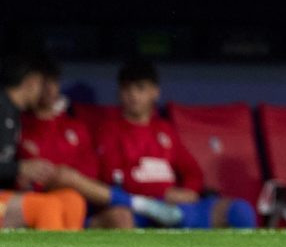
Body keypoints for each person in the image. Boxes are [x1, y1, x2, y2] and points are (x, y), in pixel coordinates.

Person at [18, 55, 184, 228]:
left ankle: (140, 206)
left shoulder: (74, 126)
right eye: (43, 83)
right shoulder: (20, 125)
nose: (49, 89)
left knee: (70, 185)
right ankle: (137, 203)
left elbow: (91, 170)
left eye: (53, 82)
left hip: (78, 196)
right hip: (40, 195)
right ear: (30, 85)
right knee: (62, 179)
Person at [95, 59, 256, 229]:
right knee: (122, 217)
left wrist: (188, 192)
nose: (133, 95)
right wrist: (162, 193)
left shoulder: (165, 130)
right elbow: (114, 180)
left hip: (176, 206)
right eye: (127, 89)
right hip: (138, 207)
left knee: (239, 210)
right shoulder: (109, 131)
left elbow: (193, 173)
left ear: (155, 92)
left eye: (140, 88)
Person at [0, 54, 85, 230]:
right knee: (46, 208)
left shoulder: (15, 113)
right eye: (41, 84)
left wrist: (19, 176)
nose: (42, 92)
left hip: (5, 196)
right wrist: (18, 168)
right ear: (32, 81)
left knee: (72, 201)